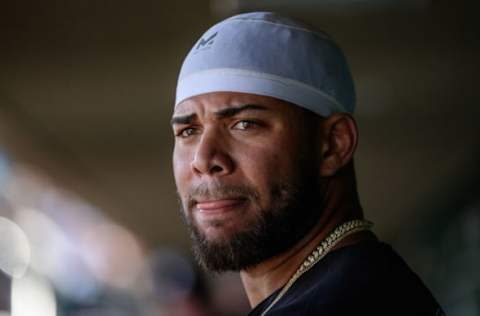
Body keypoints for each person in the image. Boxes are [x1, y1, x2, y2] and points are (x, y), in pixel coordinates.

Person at [171, 11, 444, 315]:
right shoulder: (367, 284)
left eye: (245, 124)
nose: (204, 160)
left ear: (333, 144)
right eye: (188, 131)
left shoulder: (344, 303)